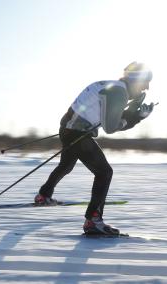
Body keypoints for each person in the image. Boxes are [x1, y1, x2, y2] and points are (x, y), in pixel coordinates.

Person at [34, 62, 155, 235]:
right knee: (104, 172)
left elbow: (110, 114)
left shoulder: (116, 88)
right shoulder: (118, 92)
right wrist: (137, 116)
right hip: (76, 133)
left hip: (70, 130)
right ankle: (93, 220)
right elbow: (111, 127)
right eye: (146, 82)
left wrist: (132, 109)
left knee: (66, 166)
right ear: (136, 80)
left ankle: (43, 196)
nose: (147, 87)